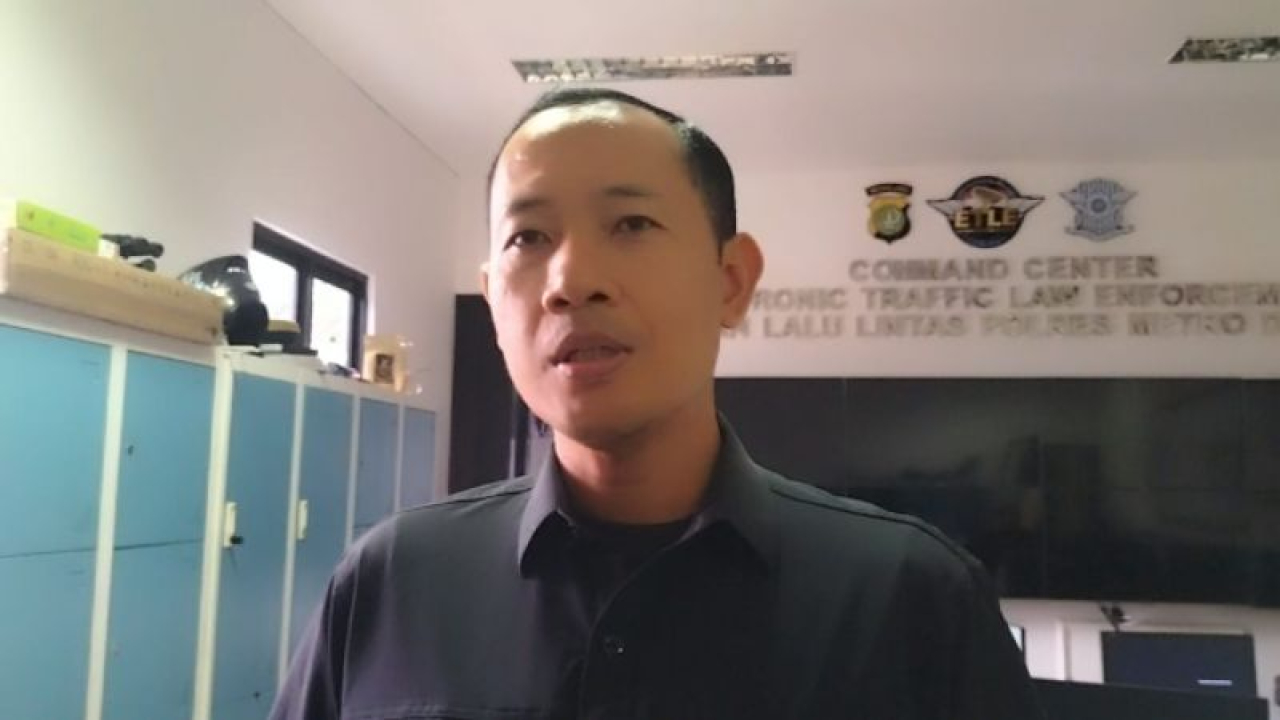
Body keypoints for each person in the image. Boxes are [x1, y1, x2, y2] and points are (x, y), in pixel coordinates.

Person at [271, 87, 1043, 720]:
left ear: (731, 282)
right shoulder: (391, 583)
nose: (571, 281)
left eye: (632, 224)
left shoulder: (911, 600)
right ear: (493, 303)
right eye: (528, 237)